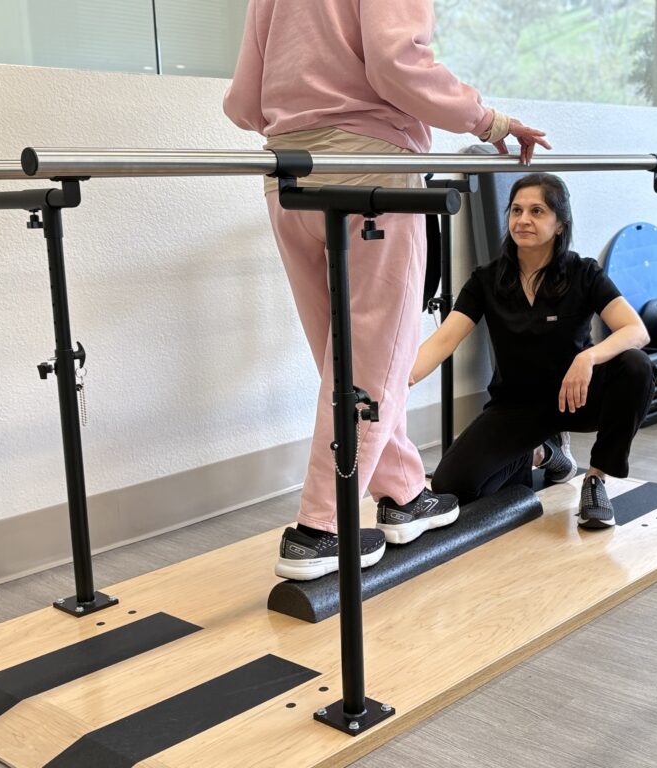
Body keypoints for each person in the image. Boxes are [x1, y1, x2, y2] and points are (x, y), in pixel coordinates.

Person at [223, 0, 551, 581]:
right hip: (368, 175)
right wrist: (489, 121)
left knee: (349, 362)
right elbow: (398, 64)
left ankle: (402, 494)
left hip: (288, 178)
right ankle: (320, 528)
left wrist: (306, 110)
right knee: (376, 363)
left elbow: (243, 102)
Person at [411, 173, 656, 527]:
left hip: (577, 397)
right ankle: (543, 453)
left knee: (637, 367)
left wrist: (588, 357)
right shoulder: (486, 280)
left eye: (537, 211)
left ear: (559, 224)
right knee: (454, 485)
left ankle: (595, 480)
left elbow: (636, 330)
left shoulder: (582, 272)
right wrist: (398, 379)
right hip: (517, 406)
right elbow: (443, 340)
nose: (523, 220)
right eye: (516, 210)